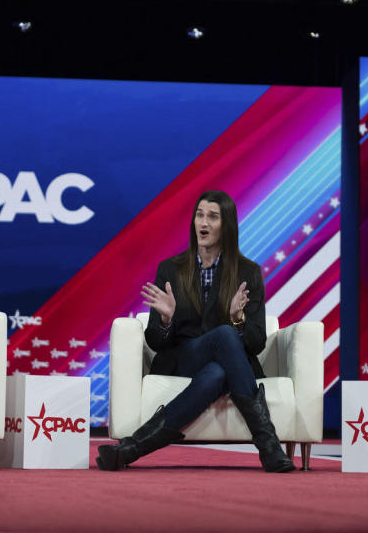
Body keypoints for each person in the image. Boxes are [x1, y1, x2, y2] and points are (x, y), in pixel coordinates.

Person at [96, 190, 295, 473]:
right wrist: (166, 320)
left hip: (228, 365)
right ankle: (269, 446)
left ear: (226, 226)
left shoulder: (248, 272)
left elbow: (257, 341)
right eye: (200, 215)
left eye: (213, 216)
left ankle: (130, 448)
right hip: (183, 359)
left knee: (218, 370)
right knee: (225, 337)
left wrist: (238, 319)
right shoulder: (171, 269)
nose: (203, 222)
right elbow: (154, 340)